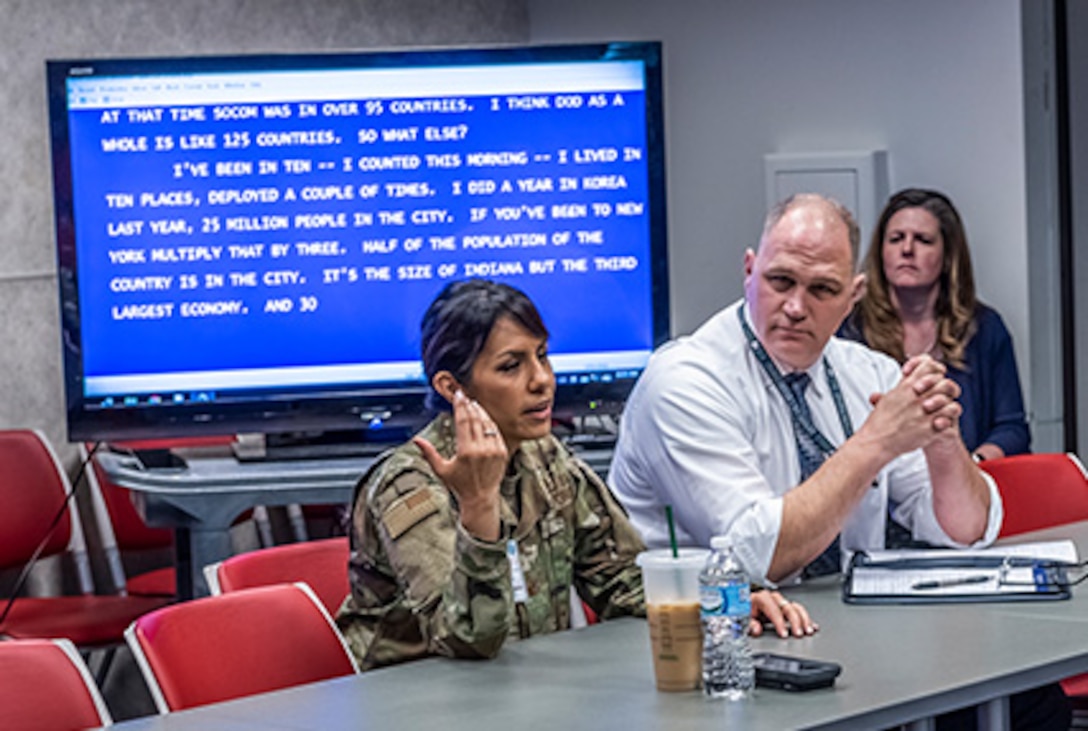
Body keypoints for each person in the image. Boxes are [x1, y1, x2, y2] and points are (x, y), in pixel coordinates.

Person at [336, 278, 815, 671]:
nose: (542, 379)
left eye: (542, 355)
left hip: (527, 704)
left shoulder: (545, 460)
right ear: (451, 386)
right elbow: (467, 642)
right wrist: (479, 506)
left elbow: (621, 583)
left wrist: (720, 598)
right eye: (511, 365)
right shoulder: (409, 485)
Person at [609, 193, 1001, 585]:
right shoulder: (684, 382)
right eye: (781, 281)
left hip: (835, 623)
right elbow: (760, 559)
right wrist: (876, 442)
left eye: (822, 289)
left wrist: (943, 441)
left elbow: (965, 531)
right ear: (749, 271)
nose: (796, 307)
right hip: (695, 632)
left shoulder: (871, 373)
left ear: (852, 298)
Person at [842, 187, 1030, 462]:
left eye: (923, 240)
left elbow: (1012, 430)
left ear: (948, 256)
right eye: (895, 239)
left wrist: (970, 469)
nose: (907, 250)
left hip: (964, 483)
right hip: (876, 490)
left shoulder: (983, 328)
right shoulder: (850, 329)